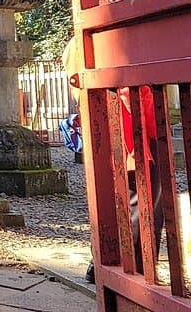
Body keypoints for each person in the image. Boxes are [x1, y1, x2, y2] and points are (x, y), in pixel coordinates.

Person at [65, 39, 164, 283]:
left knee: (111, 200)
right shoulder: (117, 40)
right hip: (130, 130)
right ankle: (134, 268)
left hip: (105, 127)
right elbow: (133, 93)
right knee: (140, 200)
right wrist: (155, 128)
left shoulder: (78, 44)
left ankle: (103, 261)